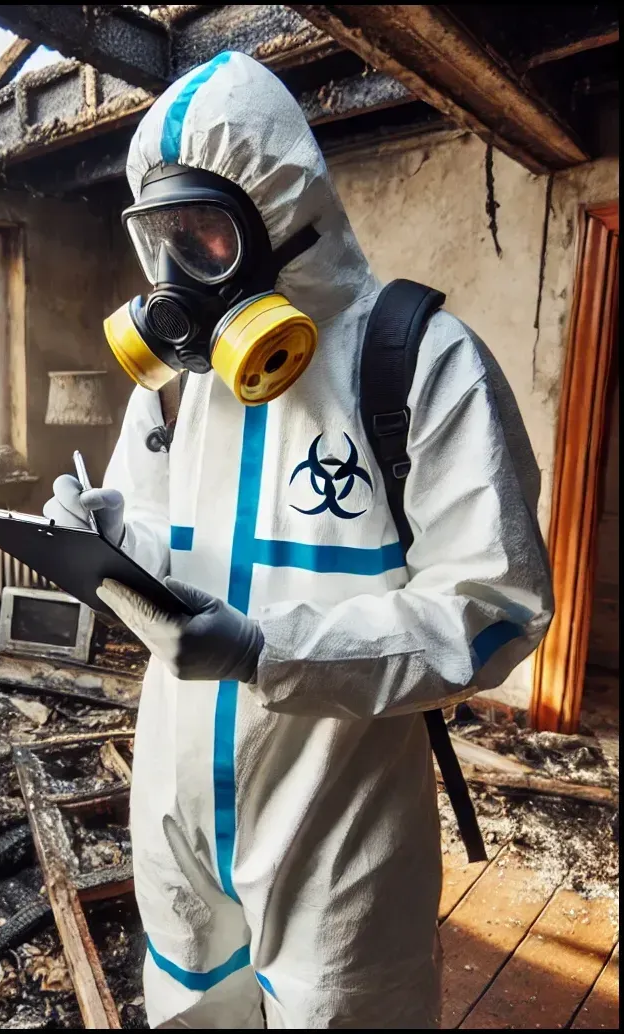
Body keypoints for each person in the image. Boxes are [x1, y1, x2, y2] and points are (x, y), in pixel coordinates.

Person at [44, 52, 553, 1030]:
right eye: (163, 234)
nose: (180, 265)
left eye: (205, 230)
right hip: (174, 811)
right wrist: (109, 536)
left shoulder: (419, 364)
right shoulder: (175, 382)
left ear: (280, 217)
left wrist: (270, 649)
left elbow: (491, 612)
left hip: (335, 833)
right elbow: (168, 554)